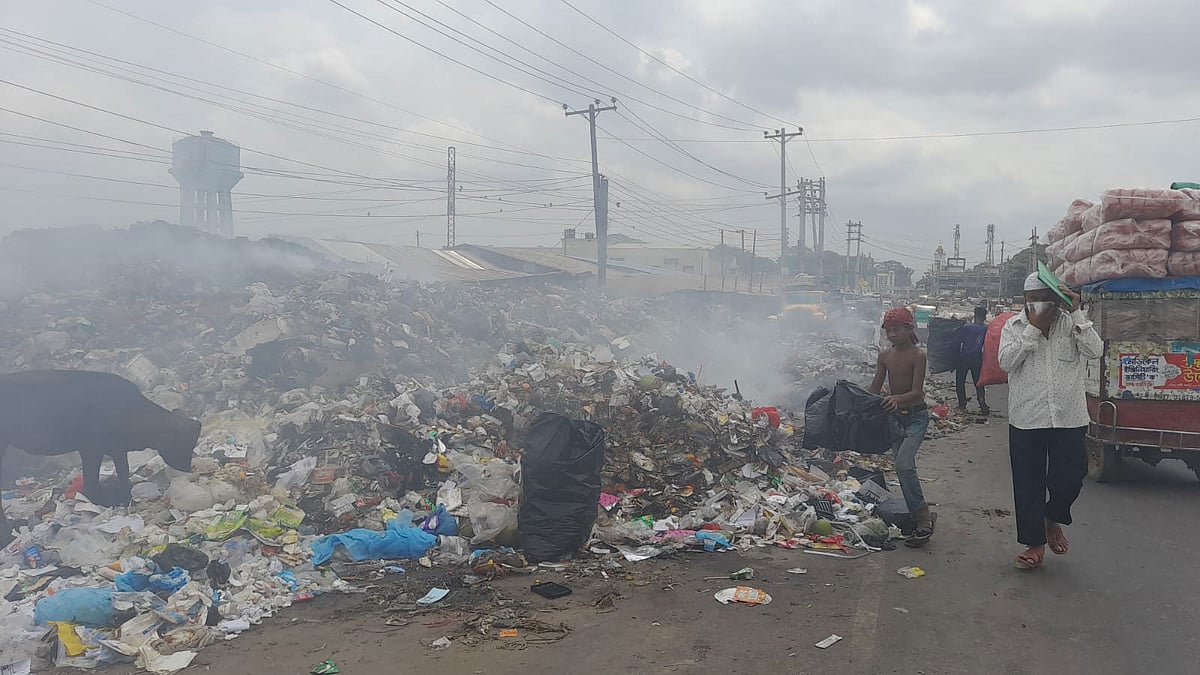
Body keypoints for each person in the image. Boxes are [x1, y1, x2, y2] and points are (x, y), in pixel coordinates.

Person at [998, 273, 1102, 570]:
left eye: (1046, 298)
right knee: (1028, 483)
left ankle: (1052, 517)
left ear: (1057, 300)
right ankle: (1034, 545)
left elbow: (1096, 351)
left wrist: (1078, 312)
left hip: (1069, 416)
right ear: (1025, 300)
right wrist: (1033, 330)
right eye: (1033, 299)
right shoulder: (1013, 326)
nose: (1039, 305)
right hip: (1026, 417)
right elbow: (1006, 362)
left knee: (1071, 475)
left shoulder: (1073, 324)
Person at [869, 307, 934, 547]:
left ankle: (923, 516)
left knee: (904, 464)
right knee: (902, 468)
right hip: (895, 419)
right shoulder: (885, 356)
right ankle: (916, 516)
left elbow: (917, 392)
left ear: (909, 329)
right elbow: (875, 388)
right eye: (889, 331)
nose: (892, 335)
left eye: (897, 330)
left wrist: (896, 399)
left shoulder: (918, 355)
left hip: (916, 417)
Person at [956, 307, 991, 415]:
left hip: (964, 356)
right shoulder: (986, 328)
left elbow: (959, 340)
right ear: (984, 317)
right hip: (977, 357)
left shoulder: (967, 328)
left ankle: (962, 405)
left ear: (974, 315)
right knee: (979, 381)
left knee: (960, 381)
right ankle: (981, 400)